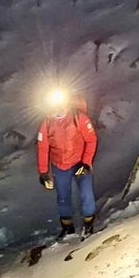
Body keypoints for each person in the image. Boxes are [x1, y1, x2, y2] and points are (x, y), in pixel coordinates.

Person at [37, 96, 98, 240]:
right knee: (63, 197)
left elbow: (91, 140)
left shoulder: (79, 118)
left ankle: (89, 225)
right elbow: (43, 147)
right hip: (60, 166)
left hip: (80, 164)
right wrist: (43, 172)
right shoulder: (47, 123)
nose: (58, 110)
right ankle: (67, 227)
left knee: (86, 194)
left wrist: (86, 162)